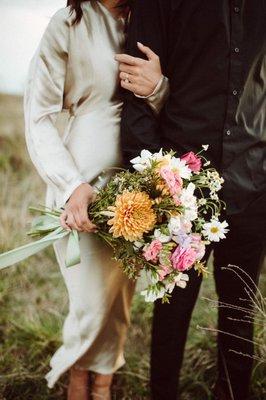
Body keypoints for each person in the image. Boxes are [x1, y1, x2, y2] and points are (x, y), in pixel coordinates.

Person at [118, 1, 266, 399]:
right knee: (171, 313)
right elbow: (134, 96)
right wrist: (151, 186)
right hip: (178, 189)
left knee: (239, 315)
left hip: (253, 183)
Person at [24, 1, 164, 399]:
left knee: (119, 293)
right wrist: (70, 185)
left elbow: (184, 98)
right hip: (82, 178)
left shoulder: (156, 18)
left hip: (141, 179)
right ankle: (76, 376)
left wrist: (159, 89)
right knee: (90, 297)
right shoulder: (68, 22)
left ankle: (102, 380)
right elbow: (38, 113)